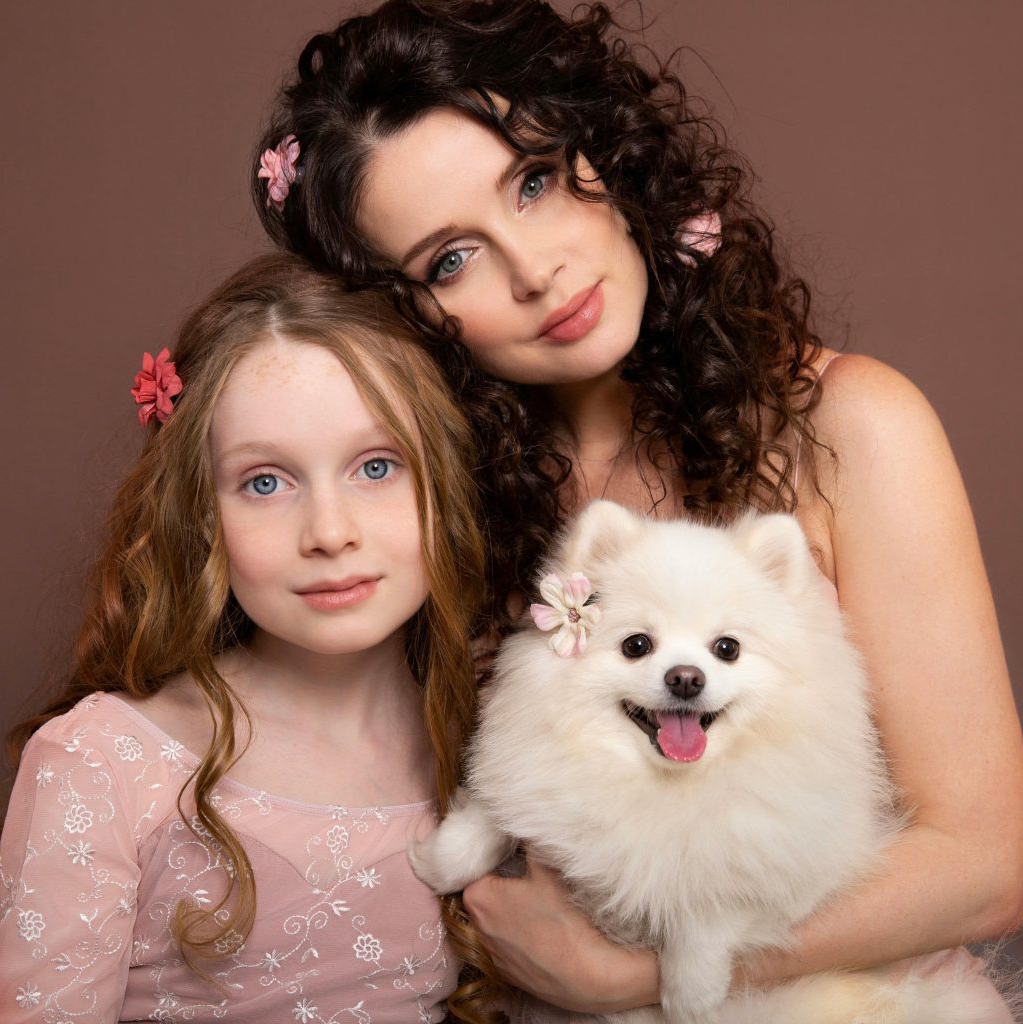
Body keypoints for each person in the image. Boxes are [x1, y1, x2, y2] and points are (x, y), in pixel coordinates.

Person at [250, 0, 1023, 1019]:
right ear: (406, 317)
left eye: (532, 182)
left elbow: (990, 857)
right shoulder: (428, 502)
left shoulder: (849, 426)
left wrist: (648, 973)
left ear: (604, 151)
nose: (535, 270)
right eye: (450, 258)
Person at [0, 253, 486, 1022]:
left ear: (446, 477)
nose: (329, 532)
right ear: (200, 514)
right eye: (265, 482)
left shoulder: (489, 751)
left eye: (377, 466)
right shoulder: (103, 766)